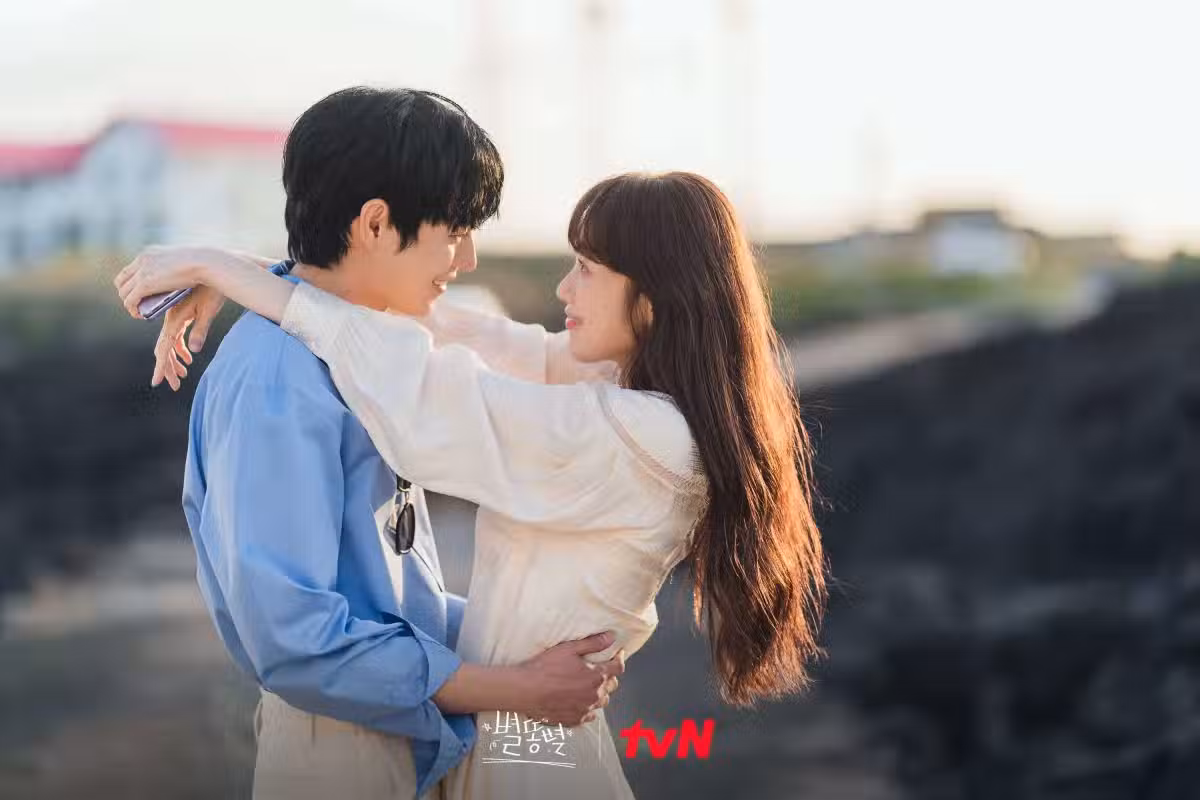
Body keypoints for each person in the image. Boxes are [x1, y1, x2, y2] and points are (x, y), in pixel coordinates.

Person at [117, 170, 829, 799]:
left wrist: (221, 268)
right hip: (518, 729)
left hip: (529, 751)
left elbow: (427, 388)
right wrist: (240, 274)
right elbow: (450, 330)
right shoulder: (629, 397)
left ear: (655, 297)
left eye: (586, 269)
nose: (564, 288)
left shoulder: (641, 436)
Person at [123, 87, 625, 800]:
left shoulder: (355, 350)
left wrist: (540, 648)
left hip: (400, 730)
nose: (468, 258)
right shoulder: (278, 380)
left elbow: (396, 599)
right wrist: (517, 688)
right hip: (341, 751)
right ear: (377, 224)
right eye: (455, 230)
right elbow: (296, 637)